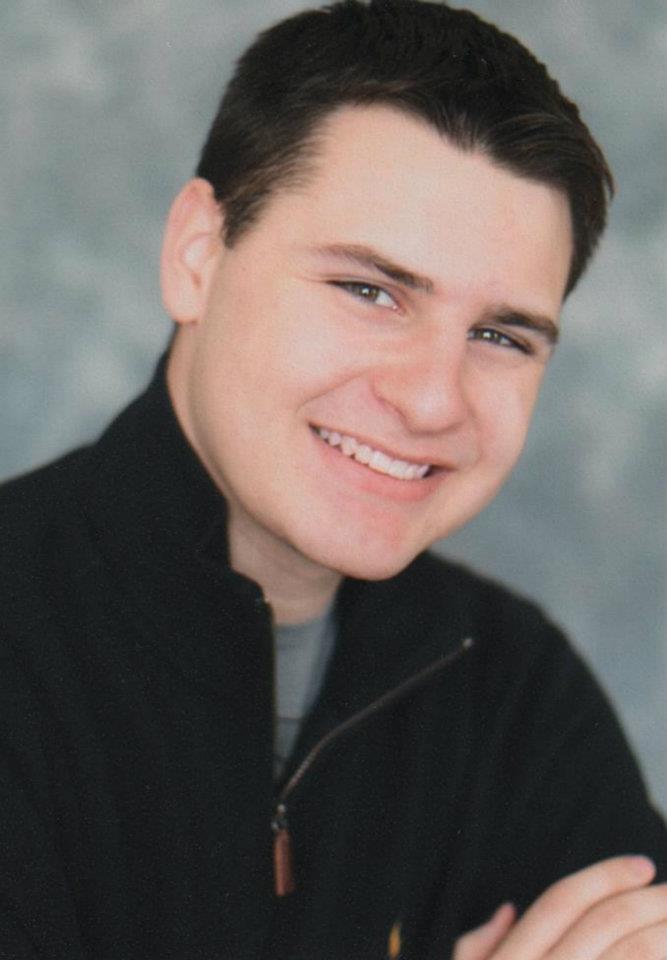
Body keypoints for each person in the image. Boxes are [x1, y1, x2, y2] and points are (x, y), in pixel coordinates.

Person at [1, 1, 666, 957]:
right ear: (197, 255)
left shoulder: (513, 692)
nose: (431, 400)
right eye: (369, 291)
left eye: (499, 335)